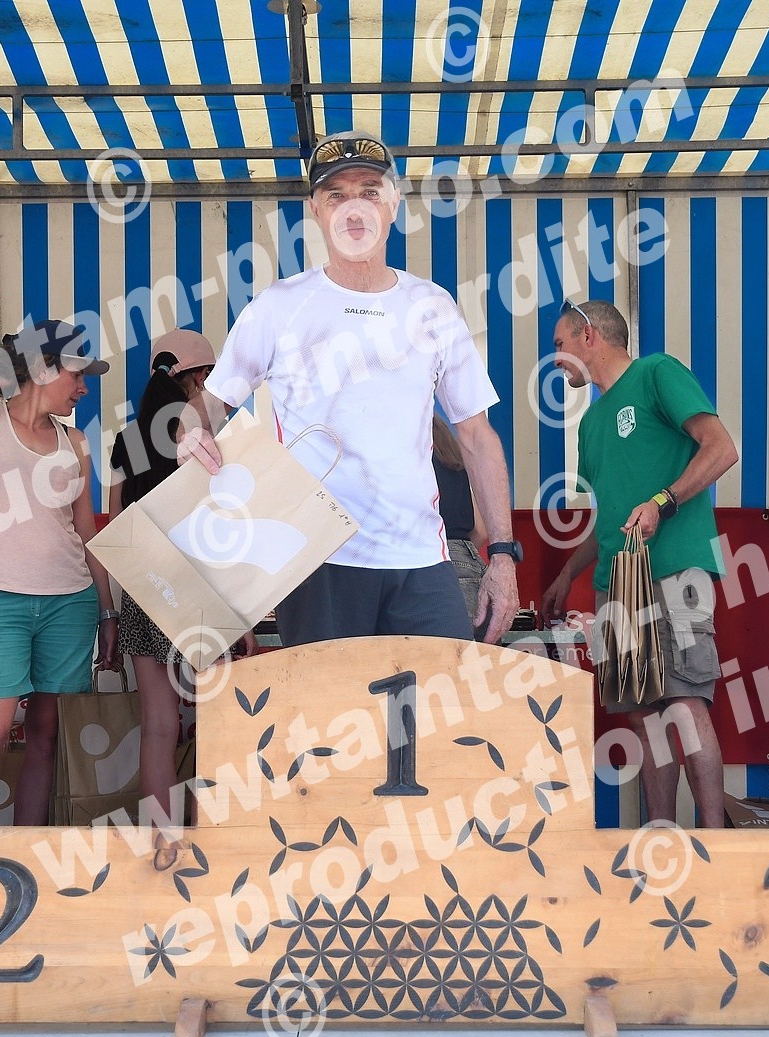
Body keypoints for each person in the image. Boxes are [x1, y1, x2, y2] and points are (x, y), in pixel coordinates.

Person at [178, 130, 521, 646]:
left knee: (438, 699)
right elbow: (206, 406)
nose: (354, 208)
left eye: (369, 191)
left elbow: (477, 435)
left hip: (422, 559)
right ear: (316, 210)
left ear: (393, 204)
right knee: (327, 702)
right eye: (336, 195)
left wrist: (503, 556)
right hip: (316, 558)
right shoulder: (278, 306)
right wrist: (190, 433)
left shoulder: (432, 307)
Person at [540, 300, 738, 829]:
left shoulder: (657, 373)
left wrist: (663, 501)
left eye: (559, 345)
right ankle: (661, 838)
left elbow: (722, 448)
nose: (554, 359)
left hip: (676, 569)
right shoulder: (590, 423)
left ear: (588, 336)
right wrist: (567, 574)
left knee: (685, 703)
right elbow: (609, 517)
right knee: (643, 716)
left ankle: (715, 842)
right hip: (615, 585)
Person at [0, 319, 120, 827]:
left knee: (46, 738)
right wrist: (3, 374)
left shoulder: (76, 442)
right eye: (77, 375)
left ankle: (26, 857)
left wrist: (107, 614)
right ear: (44, 368)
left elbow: (87, 532)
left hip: (72, 603)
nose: (84, 389)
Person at [108, 328, 251, 825]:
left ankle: (161, 842)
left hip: (145, 587)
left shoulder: (126, 440)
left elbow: (115, 524)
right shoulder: (209, 439)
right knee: (220, 719)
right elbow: (226, 525)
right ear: (201, 377)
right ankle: (215, 839)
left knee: (158, 727)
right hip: (203, 588)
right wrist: (241, 614)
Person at [432, 413, 488, 631]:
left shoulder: (411, 461)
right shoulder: (458, 464)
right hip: (468, 561)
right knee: (469, 650)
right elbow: (480, 531)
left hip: (428, 560)